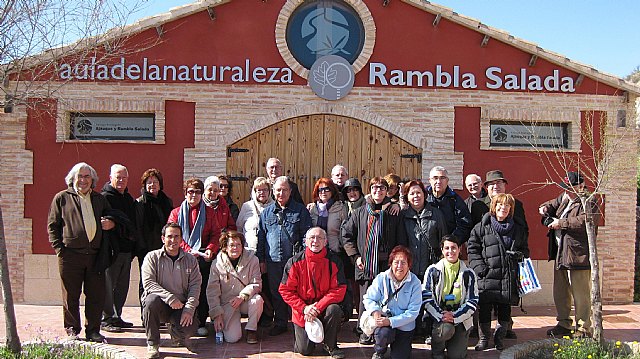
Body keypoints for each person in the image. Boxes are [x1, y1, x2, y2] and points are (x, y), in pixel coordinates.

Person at [47, 162, 115, 342]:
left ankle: (93, 330)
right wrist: (60, 250)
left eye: (87, 176)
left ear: (92, 180)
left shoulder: (99, 199)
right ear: (73, 179)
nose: (83, 180)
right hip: (70, 256)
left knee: (96, 295)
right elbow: (52, 226)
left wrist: (111, 224)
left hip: (95, 256)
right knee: (70, 295)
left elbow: (111, 217)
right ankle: (72, 330)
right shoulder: (62, 198)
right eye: (80, 176)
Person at [341, 177, 406, 344]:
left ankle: (383, 331)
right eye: (375, 188)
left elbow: (401, 239)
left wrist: (396, 261)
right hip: (365, 265)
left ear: (387, 191)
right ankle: (365, 330)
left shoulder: (394, 212)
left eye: (382, 188)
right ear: (369, 190)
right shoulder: (360, 212)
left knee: (387, 299)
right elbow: (346, 235)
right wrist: (355, 257)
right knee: (366, 299)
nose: (378, 191)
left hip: (386, 265)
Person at [539, 171, 599, 339]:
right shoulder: (566, 197)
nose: (567, 191)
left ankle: (583, 328)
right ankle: (564, 323)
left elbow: (586, 220)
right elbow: (551, 204)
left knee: (580, 294)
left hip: (578, 255)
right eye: (565, 188)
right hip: (561, 253)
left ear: (581, 186)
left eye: (570, 188)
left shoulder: (589, 201)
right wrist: (545, 208)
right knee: (561, 291)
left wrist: (561, 223)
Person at [467, 194, 529, 351]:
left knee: (504, 309)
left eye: (507, 206)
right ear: (494, 207)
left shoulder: (517, 228)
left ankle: (499, 338)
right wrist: (480, 269)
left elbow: (525, 249)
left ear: (511, 209)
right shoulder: (482, 227)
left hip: (508, 275)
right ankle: (483, 339)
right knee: (484, 309)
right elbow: (472, 249)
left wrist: (520, 255)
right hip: (487, 276)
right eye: (500, 205)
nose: (503, 208)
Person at [279, 227, 347, 359]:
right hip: (302, 311)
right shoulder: (294, 262)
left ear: (326, 241)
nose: (315, 241)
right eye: (312, 238)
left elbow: (339, 289)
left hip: (324, 308)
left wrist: (317, 307)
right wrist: (304, 308)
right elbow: (285, 290)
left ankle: (330, 345)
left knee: (335, 309)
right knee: (304, 350)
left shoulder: (334, 261)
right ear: (305, 241)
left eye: (320, 238)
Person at [257, 176, 312, 336]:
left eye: (284, 190)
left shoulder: (300, 210)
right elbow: (261, 238)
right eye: (278, 190)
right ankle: (280, 322)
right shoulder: (266, 213)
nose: (281, 193)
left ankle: (297, 323)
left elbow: (306, 236)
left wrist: (303, 258)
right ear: (273, 192)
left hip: (294, 261)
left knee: (296, 292)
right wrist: (261, 259)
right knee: (276, 292)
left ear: (290, 191)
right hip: (273, 261)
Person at [168, 178, 221, 337]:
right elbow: (172, 235)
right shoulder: (176, 213)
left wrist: (211, 249)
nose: (194, 195)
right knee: (182, 290)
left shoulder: (209, 212)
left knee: (202, 289)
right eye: (191, 191)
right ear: (185, 193)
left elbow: (216, 234)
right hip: (181, 256)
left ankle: (201, 321)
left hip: (202, 258)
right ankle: (180, 321)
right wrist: (187, 249)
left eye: (198, 192)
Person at [141, 223, 201, 359]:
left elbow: (195, 286)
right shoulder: (152, 257)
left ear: (181, 239)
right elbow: (149, 283)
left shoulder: (190, 260)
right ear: (163, 238)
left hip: (181, 306)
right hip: (160, 304)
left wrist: (189, 309)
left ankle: (176, 332)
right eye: (169, 237)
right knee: (150, 301)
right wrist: (169, 298)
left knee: (188, 330)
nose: (173, 240)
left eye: (176, 237)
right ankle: (153, 344)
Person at [399, 180, 447, 341]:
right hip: (410, 266)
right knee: (411, 298)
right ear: (407, 197)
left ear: (425, 195)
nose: (415, 196)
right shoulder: (403, 216)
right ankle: (413, 329)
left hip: (430, 265)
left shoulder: (436, 214)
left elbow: (443, 240)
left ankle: (429, 330)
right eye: (412, 193)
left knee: (431, 298)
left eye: (418, 192)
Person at [423, 235, 479, 359]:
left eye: (454, 248)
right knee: (445, 331)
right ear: (442, 250)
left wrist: (455, 317)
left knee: (456, 356)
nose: (450, 251)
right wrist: (441, 315)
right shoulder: (432, 271)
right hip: (440, 317)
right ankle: (437, 350)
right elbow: (426, 298)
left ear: (459, 249)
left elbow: (472, 302)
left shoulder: (469, 274)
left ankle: (454, 342)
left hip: (460, 317)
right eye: (447, 248)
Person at [362, 245, 422, 359]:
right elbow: (369, 298)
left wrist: (390, 321)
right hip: (384, 322)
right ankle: (380, 350)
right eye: (396, 262)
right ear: (391, 263)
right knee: (382, 334)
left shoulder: (415, 283)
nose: (399, 266)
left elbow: (413, 313)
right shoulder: (382, 278)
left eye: (403, 263)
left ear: (409, 265)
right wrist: (375, 311)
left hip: (404, 326)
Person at [101, 164, 139, 332]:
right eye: (118, 177)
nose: (121, 180)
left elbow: (131, 223)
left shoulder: (128, 199)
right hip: (111, 250)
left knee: (122, 286)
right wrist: (117, 223)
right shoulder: (104, 198)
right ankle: (106, 318)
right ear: (110, 178)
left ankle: (117, 316)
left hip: (126, 251)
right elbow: (103, 222)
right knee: (108, 285)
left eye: (124, 177)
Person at [207, 231, 263, 344]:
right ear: (225, 247)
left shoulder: (253, 260)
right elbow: (212, 291)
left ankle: (251, 330)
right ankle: (223, 323)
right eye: (232, 245)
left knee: (257, 300)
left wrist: (242, 296)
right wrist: (217, 315)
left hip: (244, 300)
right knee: (232, 338)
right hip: (228, 303)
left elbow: (256, 284)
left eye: (238, 245)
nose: (235, 248)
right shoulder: (216, 264)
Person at [135, 168, 174, 309]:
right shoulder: (140, 203)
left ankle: (162, 312)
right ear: (144, 185)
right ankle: (145, 312)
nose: (152, 185)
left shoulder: (167, 202)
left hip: (164, 249)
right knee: (146, 281)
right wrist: (142, 248)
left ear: (160, 184)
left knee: (164, 281)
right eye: (149, 182)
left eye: (155, 182)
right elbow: (138, 227)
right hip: (146, 249)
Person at [426, 166, 472, 243]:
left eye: (442, 178)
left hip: (448, 249)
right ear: (430, 180)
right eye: (435, 178)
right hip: (426, 246)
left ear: (447, 180)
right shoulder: (423, 198)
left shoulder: (455, 199)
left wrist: (452, 241)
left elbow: (465, 224)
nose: (438, 181)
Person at [308, 178, 347, 257]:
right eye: (320, 190)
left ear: (332, 191)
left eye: (327, 189)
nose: (323, 192)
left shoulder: (341, 208)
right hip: (315, 251)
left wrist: (340, 245)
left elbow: (345, 230)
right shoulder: (311, 208)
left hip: (334, 250)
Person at [236, 177, 274, 251]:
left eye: (265, 190)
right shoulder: (247, 206)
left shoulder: (274, 207)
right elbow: (239, 228)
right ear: (254, 191)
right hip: (249, 251)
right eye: (259, 190)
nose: (262, 193)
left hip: (269, 251)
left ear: (269, 191)